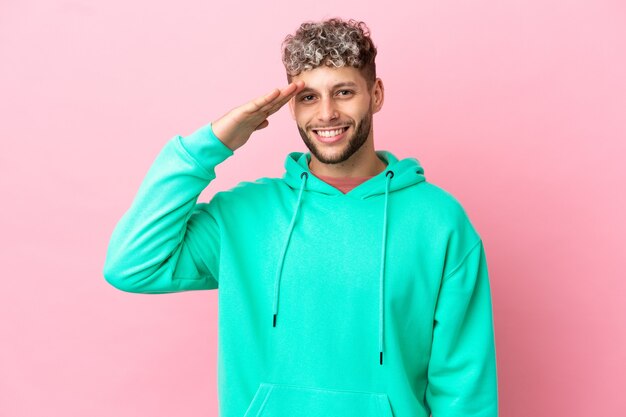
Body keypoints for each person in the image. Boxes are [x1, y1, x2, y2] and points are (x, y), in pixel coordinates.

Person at [103, 17, 498, 417]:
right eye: (309, 97)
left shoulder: (439, 222)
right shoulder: (243, 215)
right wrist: (213, 144)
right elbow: (132, 265)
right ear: (291, 105)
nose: (326, 113)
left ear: (375, 94)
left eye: (343, 92)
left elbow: (464, 387)